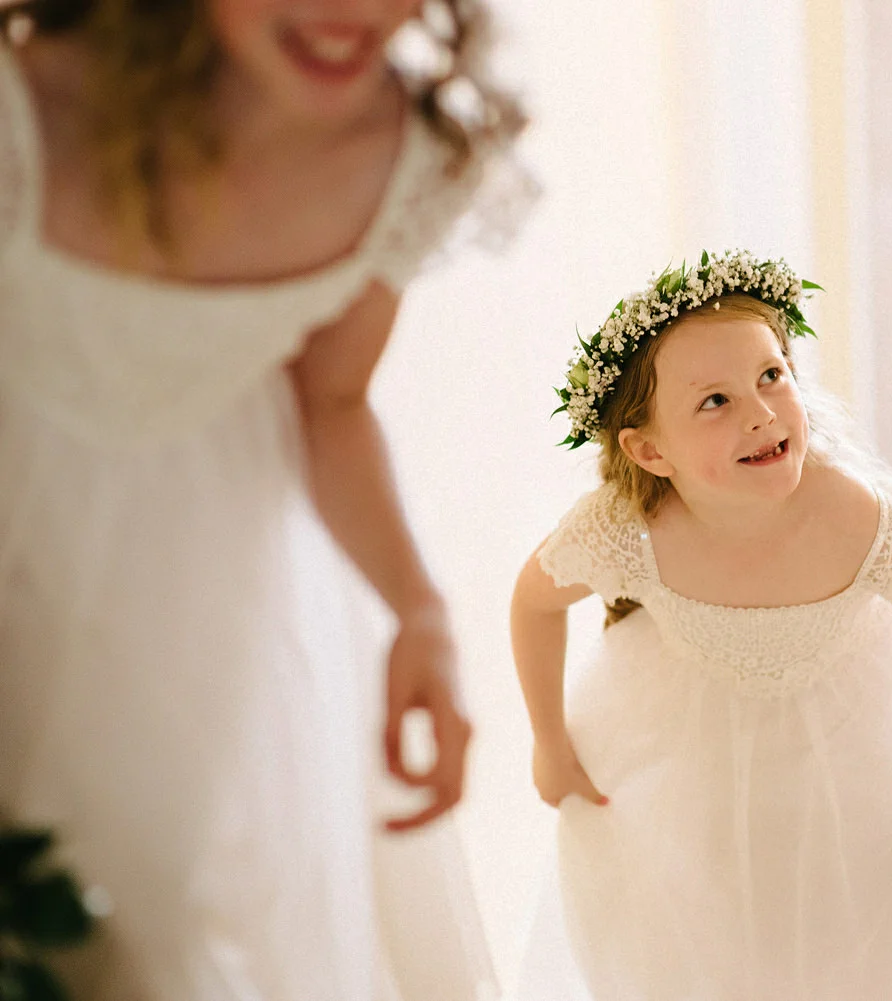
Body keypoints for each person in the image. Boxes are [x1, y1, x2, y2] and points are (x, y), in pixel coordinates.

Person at [0, 1, 530, 997]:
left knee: (149, 915)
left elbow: (331, 402)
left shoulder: (405, 159)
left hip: (196, 601)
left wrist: (419, 606)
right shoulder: (26, 105)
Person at [510, 251, 892, 1000]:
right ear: (649, 449)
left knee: (854, 934)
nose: (760, 411)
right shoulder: (630, 528)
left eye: (771, 375)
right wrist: (550, 740)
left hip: (860, 752)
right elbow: (533, 601)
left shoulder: (856, 516)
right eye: (714, 401)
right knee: (703, 931)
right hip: (685, 750)